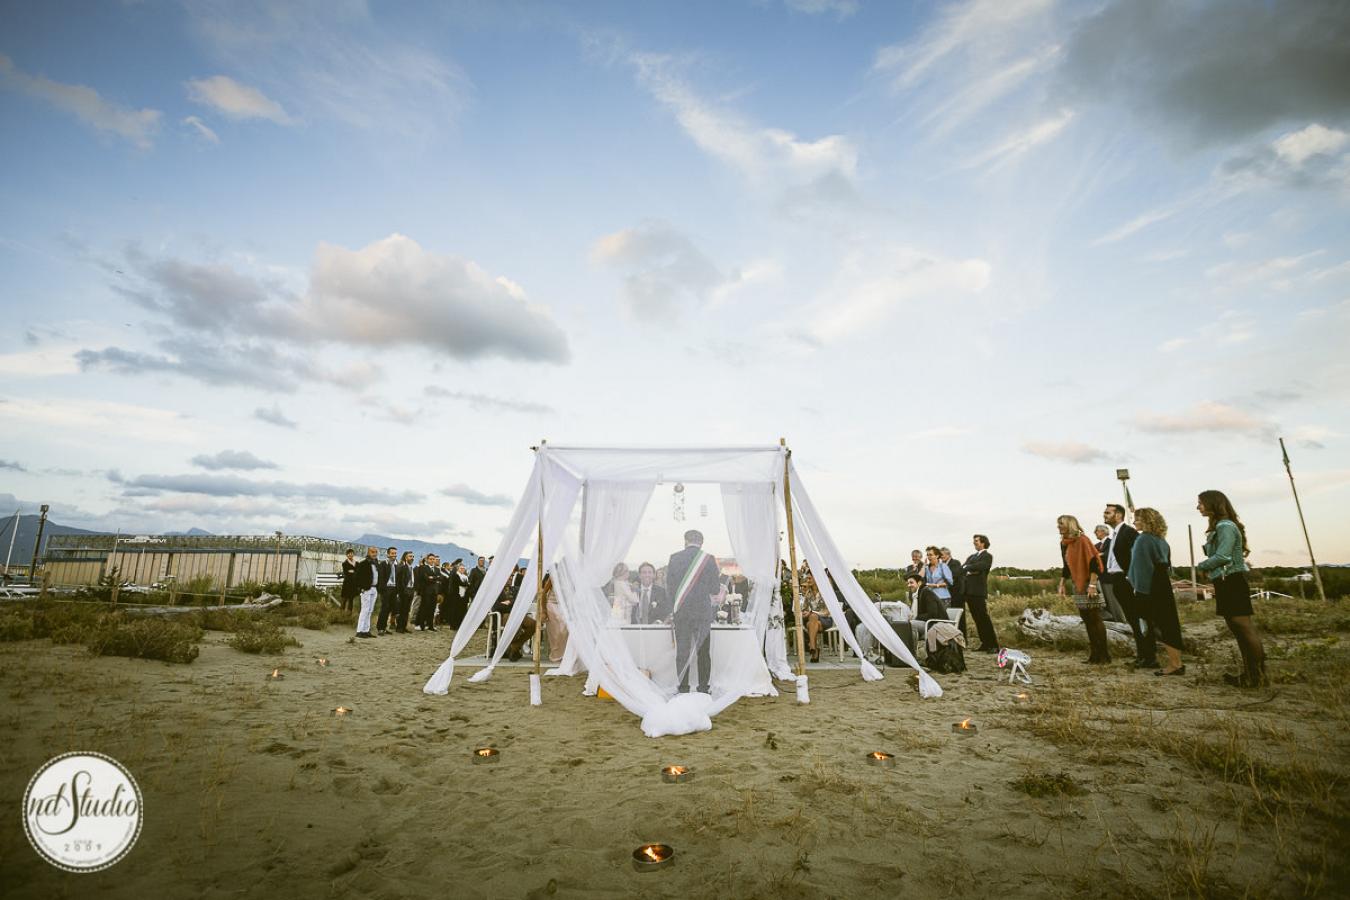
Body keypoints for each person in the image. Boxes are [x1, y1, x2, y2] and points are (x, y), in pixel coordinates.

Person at [1196, 490, 1265, 688]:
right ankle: (1250, 674)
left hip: (1232, 580)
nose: (1198, 507)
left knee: (1243, 627)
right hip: (1226, 580)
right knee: (1238, 629)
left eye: (1200, 503)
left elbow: (1223, 556)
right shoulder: (1221, 526)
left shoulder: (1225, 526)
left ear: (1213, 504)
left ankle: (1257, 676)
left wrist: (1202, 566)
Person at [661, 529, 722, 694]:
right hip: (702, 613)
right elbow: (715, 589)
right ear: (701, 542)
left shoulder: (674, 558)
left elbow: (670, 589)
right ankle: (703, 688)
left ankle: (683, 688)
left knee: (682, 652)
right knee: (703, 652)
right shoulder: (708, 559)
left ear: (685, 541)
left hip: (681, 612)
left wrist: (673, 610)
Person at [1130, 508, 1184, 676]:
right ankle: (1177, 662)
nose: (1134, 522)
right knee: (1169, 622)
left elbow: (1141, 568)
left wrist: (1139, 590)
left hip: (1149, 585)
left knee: (1154, 624)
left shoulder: (1143, 540)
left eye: (1137, 519)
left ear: (1147, 520)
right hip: (1163, 583)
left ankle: (1174, 664)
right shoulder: (1161, 540)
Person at [1101, 503, 1156, 669]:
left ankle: (1149, 657)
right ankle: (1142, 655)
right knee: (1132, 620)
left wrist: (1132, 578)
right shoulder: (1115, 535)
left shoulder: (1128, 532)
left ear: (1118, 515)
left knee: (1140, 619)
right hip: (1116, 581)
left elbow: (1137, 556)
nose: (1104, 514)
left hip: (1127, 581)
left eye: (1108, 512)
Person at [1058, 515, 1107, 663]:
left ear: (1070, 525)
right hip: (1077, 584)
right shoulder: (1064, 543)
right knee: (1086, 619)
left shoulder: (1083, 540)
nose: (1058, 527)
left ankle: (1104, 656)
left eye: (1061, 524)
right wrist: (1061, 584)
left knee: (1095, 619)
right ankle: (1094, 655)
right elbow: (1066, 566)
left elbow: (1094, 563)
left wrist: (1092, 585)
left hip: (1088, 583)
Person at [962, 535, 1001, 652]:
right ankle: (985, 643)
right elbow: (963, 567)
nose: (974, 543)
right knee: (977, 619)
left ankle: (993, 645)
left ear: (983, 543)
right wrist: (970, 569)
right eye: (974, 541)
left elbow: (981, 566)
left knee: (983, 618)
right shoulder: (972, 556)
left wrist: (969, 568)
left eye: (977, 541)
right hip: (969, 591)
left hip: (978, 591)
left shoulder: (987, 556)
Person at [492, 578, 536, 661]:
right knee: (515, 625)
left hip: (517, 613)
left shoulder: (515, 589)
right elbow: (496, 606)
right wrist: (509, 605)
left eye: (511, 576)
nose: (509, 578)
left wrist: (509, 602)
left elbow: (520, 601)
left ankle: (515, 645)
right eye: (508, 576)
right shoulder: (495, 590)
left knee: (533, 624)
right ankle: (510, 648)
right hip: (503, 615)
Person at [939, 547, 967, 637]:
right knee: (949, 617)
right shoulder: (942, 565)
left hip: (957, 594)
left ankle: (962, 639)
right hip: (948, 595)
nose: (941, 557)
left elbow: (952, 576)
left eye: (942, 555)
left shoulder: (955, 563)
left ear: (948, 554)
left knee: (959, 618)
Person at [354, 546, 379, 638]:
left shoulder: (376, 563)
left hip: (374, 588)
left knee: (370, 610)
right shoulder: (363, 564)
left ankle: (366, 630)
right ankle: (359, 630)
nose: (374, 554)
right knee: (365, 609)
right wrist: (362, 588)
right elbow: (357, 577)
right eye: (372, 552)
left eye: (376, 552)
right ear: (368, 553)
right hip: (366, 589)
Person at [543, 574, 568, 663]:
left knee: (566, 627)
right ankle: (556, 655)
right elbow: (543, 592)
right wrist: (544, 610)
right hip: (552, 604)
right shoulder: (553, 577)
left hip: (564, 606)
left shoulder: (571, 577)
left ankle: (564, 654)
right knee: (557, 631)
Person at [923, 546, 954, 612]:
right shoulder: (927, 568)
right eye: (927, 555)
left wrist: (936, 585)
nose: (929, 557)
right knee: (933, 618)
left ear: (937, 556)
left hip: (943, 597)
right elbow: (920, 578)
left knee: (943, 619)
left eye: (931, 555)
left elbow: (950, 583)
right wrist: (924, 566)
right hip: (930, 597)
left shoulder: (943, 566)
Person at [414, 554, 440, 632]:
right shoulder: (423, 568)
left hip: (434, 591)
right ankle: (421, 625)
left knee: (432, 609)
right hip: (426, 591)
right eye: (431, 559)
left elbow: (440, 577)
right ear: (427, 560)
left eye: (433, 559)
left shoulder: (437, 569)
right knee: (424, 608)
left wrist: (432, 577)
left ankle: (430, 625)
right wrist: (434, 578)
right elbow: (425, 578)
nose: (432, 560)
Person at [376, 546, 398, 635]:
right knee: (384, 608)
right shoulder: (383, 564)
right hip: (386, 589)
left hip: (394, 589)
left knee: (390, 609)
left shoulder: (397, 565)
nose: (394, 555)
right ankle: (380, 628)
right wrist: (382, 590)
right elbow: (381, 578)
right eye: (392, 553)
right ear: (388, 554)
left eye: (395, 553)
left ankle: (385, 627)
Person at [442, 559, 470, 629]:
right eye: (459, 565)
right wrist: (467, 584)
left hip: (456, 593)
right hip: (454, 593)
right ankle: (454, 625)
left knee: (456, 610)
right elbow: (459, 582)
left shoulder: (454, 573)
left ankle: (456, 624)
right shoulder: (454, 573)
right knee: (454, 610)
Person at [394, 550, 414, 633]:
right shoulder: (402, 566)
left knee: (407, 610)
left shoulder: (410, 567)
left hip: (411, 590)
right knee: (402, 609)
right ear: (405, 557)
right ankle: (399, 627)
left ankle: (404, 626)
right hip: (404, 591)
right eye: (410, 556)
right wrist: (401, 591)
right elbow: (399, 580)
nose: (412, 558)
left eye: (413, 557)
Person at [339, 548, 358, 613]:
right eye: (349, 554)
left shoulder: (357, 563)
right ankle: (341, 614)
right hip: (347, 583)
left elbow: (357, 572)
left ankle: (349, 615)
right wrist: (353, 572)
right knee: (344, 599)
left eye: (351, 553)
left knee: (351, 600)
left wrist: (352, 571)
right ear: (347, 555)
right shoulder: (345, 563)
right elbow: (346, 573)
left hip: (353, 584)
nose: (350, 555)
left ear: (353, 554)